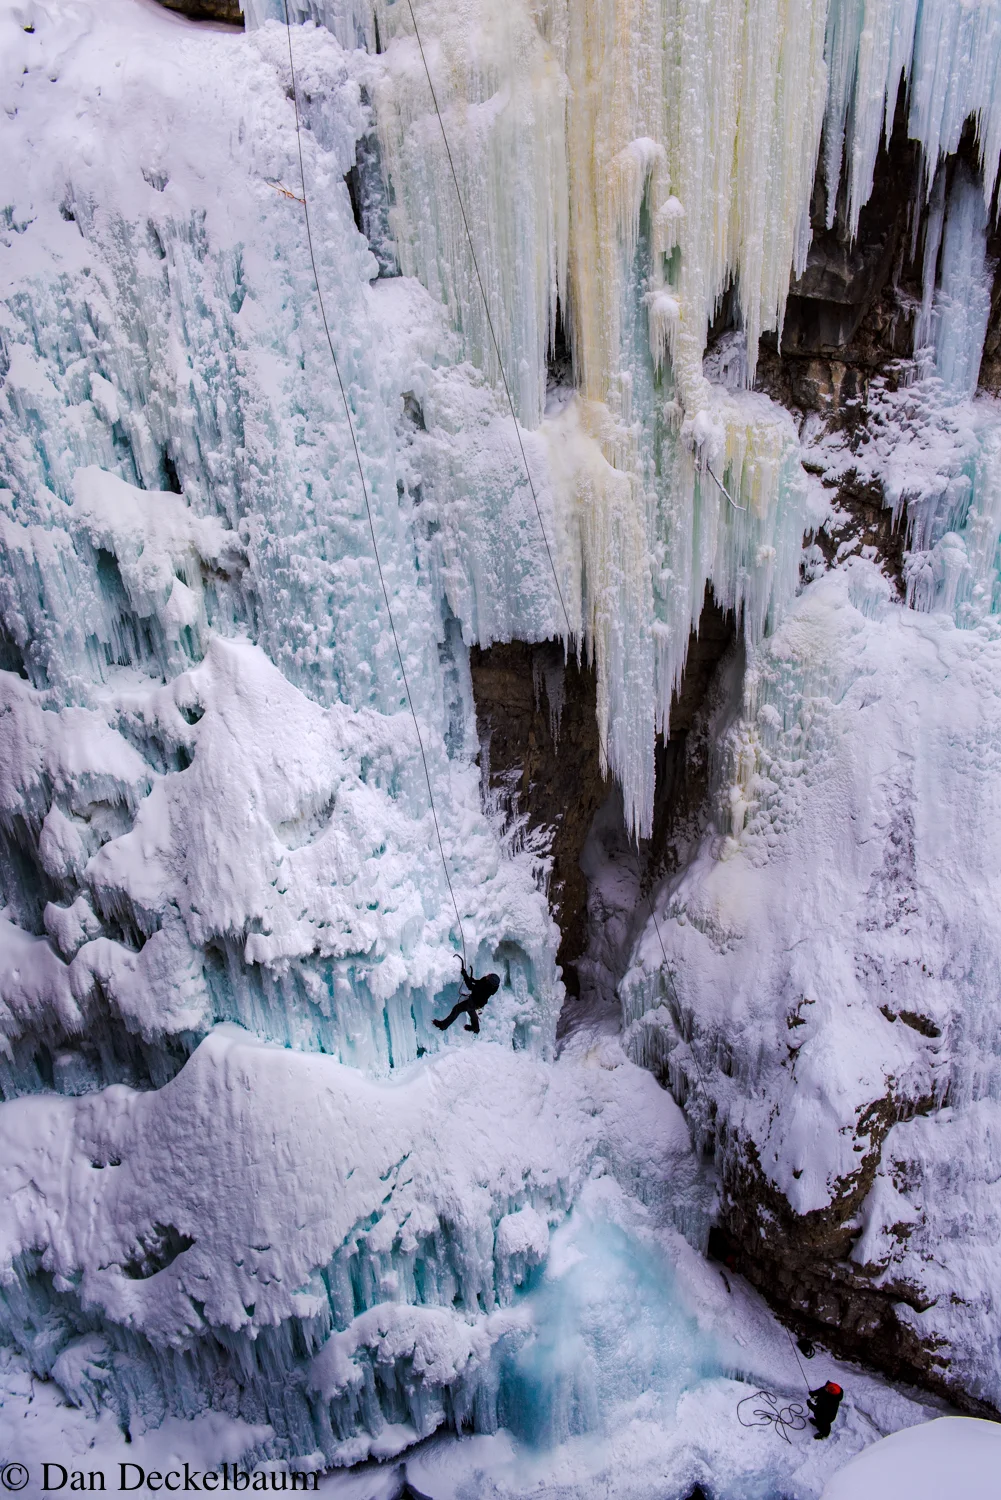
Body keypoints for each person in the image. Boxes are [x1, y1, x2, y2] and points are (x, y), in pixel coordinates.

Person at [433, 960, 500, 1033]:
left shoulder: (485, 989)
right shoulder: (490, 984)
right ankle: (475, 1028)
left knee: (457, 1009)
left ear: (489, 981)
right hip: (479, 1002)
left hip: (474, 1002)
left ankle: (443, 1025)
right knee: (471, 1011)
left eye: (489, 976)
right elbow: (480, 983)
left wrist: (465, 975)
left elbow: (470, 987)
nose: (488, 975)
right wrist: (473, 980)